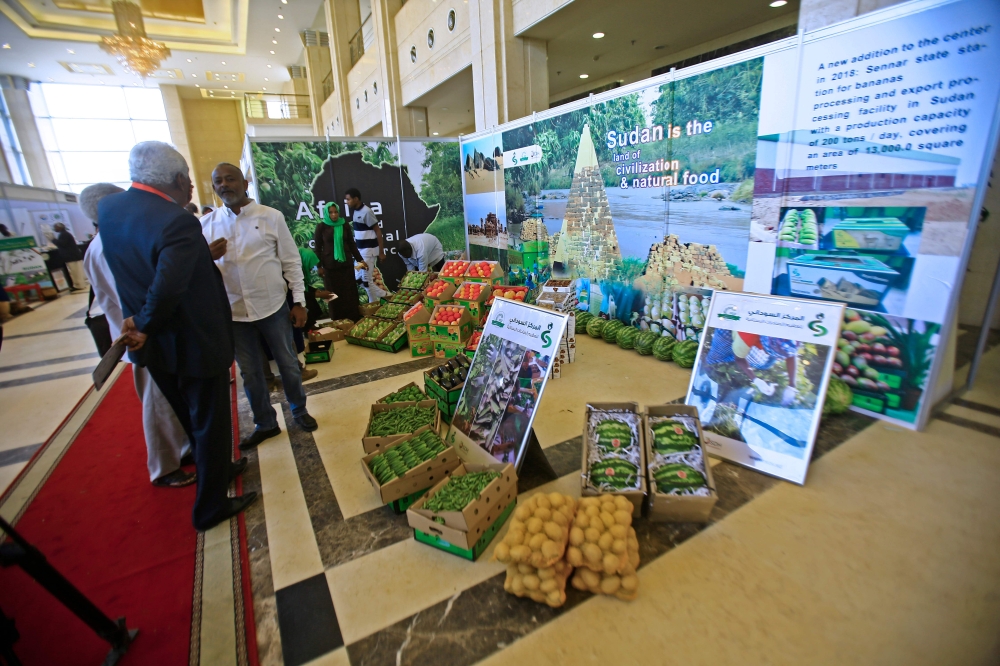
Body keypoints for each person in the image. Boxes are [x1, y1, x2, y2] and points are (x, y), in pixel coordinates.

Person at [99, 141, 256, 532]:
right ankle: (210, 507)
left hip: (155, 345)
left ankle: (216, 467)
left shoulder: (111, 210)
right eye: (188, 180)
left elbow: (140, 269)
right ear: (175, 180)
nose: (192, 189)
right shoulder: (177, 220)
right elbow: (168, 287)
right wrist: (147, 322)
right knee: (210, 421)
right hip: (192, 340)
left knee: (191, 418)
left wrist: (141, 325)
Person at [81, 182, 195, 488]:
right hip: (140, 333)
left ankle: (184, 450)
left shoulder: (109, 240)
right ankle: (163, 467)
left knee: (171, 400)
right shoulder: (107, 244)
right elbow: (131, 293)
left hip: (148, 329)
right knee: (157, 403)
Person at [201, 162, 318, 451]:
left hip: (272, 307)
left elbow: (291, 261)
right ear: (214, 187)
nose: (225, 185)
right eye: (219, 181)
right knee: (250, 372)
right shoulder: (206, 226)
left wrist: (299, 301)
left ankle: (299, 410)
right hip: (234, 313)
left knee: (289, 364)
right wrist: (204, 256)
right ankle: (265, 422)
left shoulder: (270, 217)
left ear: (245, 183)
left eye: (231, 179)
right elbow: (195, 273)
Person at [313, 201, 366, 322]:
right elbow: (318, 248)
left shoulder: (344, 225)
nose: (334, 215)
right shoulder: (321, 227)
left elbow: (352, 245)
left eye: (336, 212)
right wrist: (319, 266)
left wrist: (360, 260)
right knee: (334, 295)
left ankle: (353, 319)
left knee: (349, 293)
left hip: (346, 265)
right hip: (330, 267)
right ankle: (337, 320)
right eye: (331, 212)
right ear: (326, 213)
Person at [345, 187, 386, 302]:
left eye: (348, 199)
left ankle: (373, 306)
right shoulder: (356, 211)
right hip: (360, 253)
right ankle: (385, 295)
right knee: (357, 279)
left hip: (368, 252)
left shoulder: (367, 212)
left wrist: (381, 252)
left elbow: (378, 231)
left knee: (366, 281)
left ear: (356, 199)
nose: (347, 202)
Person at [52, 222, 89, 292]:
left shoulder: (64, 234)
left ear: (59, 227)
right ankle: (80, 284)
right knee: (76, 271)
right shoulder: (64, 234)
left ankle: (79, 285)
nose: (54, 229)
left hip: (72, 257)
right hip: (74, 256)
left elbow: (62, 244)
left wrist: (53, 240)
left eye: (55, 227)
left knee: (75, 272)